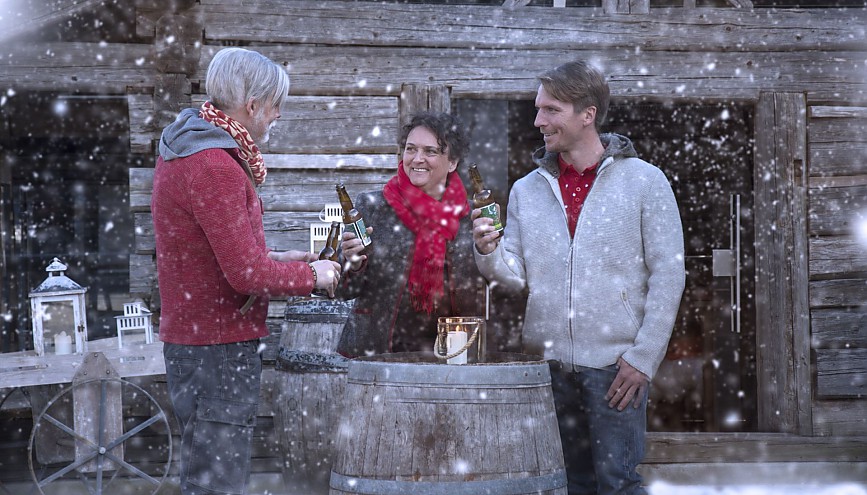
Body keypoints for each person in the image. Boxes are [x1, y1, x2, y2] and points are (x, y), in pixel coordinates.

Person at [472, 61, 685, 494]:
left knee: (617, 484)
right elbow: (513, 277)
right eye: (538, 109)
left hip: (614, 368)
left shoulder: (645, 182)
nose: (539, 121)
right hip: (547, 369)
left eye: (551, 110)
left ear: (587, 114)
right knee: (565, 485)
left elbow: (668, 274)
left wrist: (642, 358)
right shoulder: (525, 190)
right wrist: (488, 251)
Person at [151, 47, 340, 495]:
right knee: (218, 484)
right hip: (217, 348)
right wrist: (316, 278)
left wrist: (292, 260)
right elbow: (245, 275)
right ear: (252, 106)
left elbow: (223, 255)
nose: (278, 115)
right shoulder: (215, 166)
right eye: (275, 104)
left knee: (207, 477)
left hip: (199, 344)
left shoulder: (192, 148)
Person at [336, 111, 485, 357]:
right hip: (378, 354)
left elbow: (488, 285)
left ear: (452, 162)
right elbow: (343, 289)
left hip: (450, 356)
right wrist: (353, 263)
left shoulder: (470, 217)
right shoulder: (372, 207)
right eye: (410, 149)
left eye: (430, 151)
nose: (417, 159)